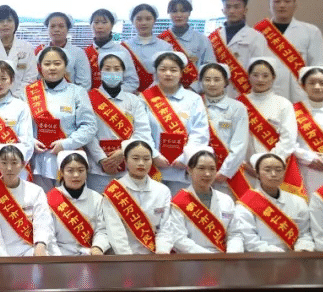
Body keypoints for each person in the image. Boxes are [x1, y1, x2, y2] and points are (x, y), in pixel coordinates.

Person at [25, 47, 99, 192]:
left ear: (65, 66)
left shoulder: (77, 92)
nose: (52, 68)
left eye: (57, 63)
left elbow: (89, 126)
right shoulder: (28, 92)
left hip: (69, 161)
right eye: (47, 64)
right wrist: (31, 141)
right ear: (40, 67)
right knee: (40, 202)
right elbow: (21, 126)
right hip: (36, 161)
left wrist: (66, 144)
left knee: (67, 203)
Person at [140, 52, 210, 194]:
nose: (168, 74)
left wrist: (186, 157)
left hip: (182, 168)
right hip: (152, 166)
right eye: (163, 69)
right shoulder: (144, 98)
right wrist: (153, 155)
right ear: (156, 72)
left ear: (181, 73)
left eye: (173, 70)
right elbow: (141, 130)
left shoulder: (194, 99)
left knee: (180, 205)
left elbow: (200, 133)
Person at [86, 53, 153, 192]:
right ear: (100, 72)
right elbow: (87, 132)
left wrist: (124, 151)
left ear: (123, 73)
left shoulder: (134, 101)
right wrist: (102, 159)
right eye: (107, 69)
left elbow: (143, 132)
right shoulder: (89, 99)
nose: (112, 73)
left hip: (128, 167)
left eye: (117, 69)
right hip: (97, 169)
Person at [255, 0, 323, 102]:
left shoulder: (311, 31)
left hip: (299, 96)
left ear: (295, 5)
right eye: (277, 1)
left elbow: (318, 66)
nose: (282, 5)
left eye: (287, 1)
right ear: (269, 5)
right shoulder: (258, 32)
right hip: (266, 95)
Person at [101, 140, 174, 255]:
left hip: (155, 255)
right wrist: (129, 259)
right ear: (125, 161)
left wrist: (161, 252)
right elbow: (115, 231)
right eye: (135, 158)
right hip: (123, 257)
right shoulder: (114, 191)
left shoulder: (163, 191)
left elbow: (166, 227)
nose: (141, 163)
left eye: (146, 159)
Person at [0, 144, 54, 256]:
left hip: (31, 249)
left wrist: (40, 244)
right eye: (4, 163)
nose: (9, 168)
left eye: (14, 163)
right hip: (2, 251)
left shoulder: (36, 191)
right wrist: (2, 257)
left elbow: (43, 221)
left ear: (23, 164)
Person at [167, 148, 244, 253]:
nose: (207, 174)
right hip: (192, 258)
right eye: (201, 168)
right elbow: (178, 239)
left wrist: (231, 255)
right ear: (189, 170)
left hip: (223, 257)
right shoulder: (179, 202)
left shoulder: (226, 200)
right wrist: (209, 257)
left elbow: (235, 234)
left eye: (212, 169)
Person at [232, 152, 314, 252]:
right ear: (257, 173)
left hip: (296, 256)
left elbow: (305, 234)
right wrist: (277, 253)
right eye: (267, 170)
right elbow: (250, 240)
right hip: (263, 257)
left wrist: (302, 249)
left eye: (278, 170)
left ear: (284, 172)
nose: (273, 174)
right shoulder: (246, 204)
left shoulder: (298, 201)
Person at [237, 57, 297, 187]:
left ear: (273, 78)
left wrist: (268, 165)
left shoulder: (283, 104)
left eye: (265, 75)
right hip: (244, 169)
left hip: (274, 169)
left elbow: (289, 139)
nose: (260, 80)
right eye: (255, 75)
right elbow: (227, 130)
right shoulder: (238, 104)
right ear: (249, 77)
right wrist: (243, 163)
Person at [198, 63, 253, 198]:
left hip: (226, 176)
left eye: (217, 80)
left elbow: (240, 144)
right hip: (197, 172)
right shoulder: (194, 104)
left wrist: (225, 172)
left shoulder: (237, 108)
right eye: (207, 79)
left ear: (226, 82)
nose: (212, 84)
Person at [46, 151, 110, 256]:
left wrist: (98, 247)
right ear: (61, 172)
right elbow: (47, 233)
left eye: (81, 170)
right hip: (60, 255)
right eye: (70, 171)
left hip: (91, 255)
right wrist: (57, 257)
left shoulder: (97, 198)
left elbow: (103, 229)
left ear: (86, 172)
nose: (76, 175)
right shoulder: (49, 199)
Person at [208, 0, 268, 98]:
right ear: (223, 10)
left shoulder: (256, 37)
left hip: (245, 94)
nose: (232, 11)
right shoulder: (214, 38)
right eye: (228, 7)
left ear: (245, 10)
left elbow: (260, 69)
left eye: (236, 7)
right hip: (216, 93)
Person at [0, 5, 37, 101]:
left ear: (16, 24)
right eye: (0, 21)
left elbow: (30, 77)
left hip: (20, 100)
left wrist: (15, 98)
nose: (5, 24)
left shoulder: (27, 48)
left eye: (9, 20)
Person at [158, 0, 214, 91]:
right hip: (166, 91)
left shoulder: (202, 40)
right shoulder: (161, 39)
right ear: (169, 13)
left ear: (189, 13)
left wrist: (194, 89)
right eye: (174, 11)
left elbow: (210, 69)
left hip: (195, 92)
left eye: (183, 11)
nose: (179, 15)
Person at [85, 9, 138, 92]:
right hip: (88, 97)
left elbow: (132, 82)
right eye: (96, 22)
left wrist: (111, 94)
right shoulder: (85, 52)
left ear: (112, 25)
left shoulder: (122, 51)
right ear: (91, 25)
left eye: (104, 22)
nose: (100, 26)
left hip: (115, 98)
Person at [123, 3, 173, 90]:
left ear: (154, 21)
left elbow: (168, 74)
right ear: (132, 21)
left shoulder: (166, 47)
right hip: (129, 94)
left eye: (148, 19)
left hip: (158, 94)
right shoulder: (124, 47)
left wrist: (149, 94)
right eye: (139, 19)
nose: (144, 23)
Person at [34, 12, 91, 89]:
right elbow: (35, 78)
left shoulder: (78, 52)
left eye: (61, 26)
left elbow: (84, 83)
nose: (56, 30)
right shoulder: (40, 52)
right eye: (52, 26)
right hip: (44, 94)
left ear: (68, 29)